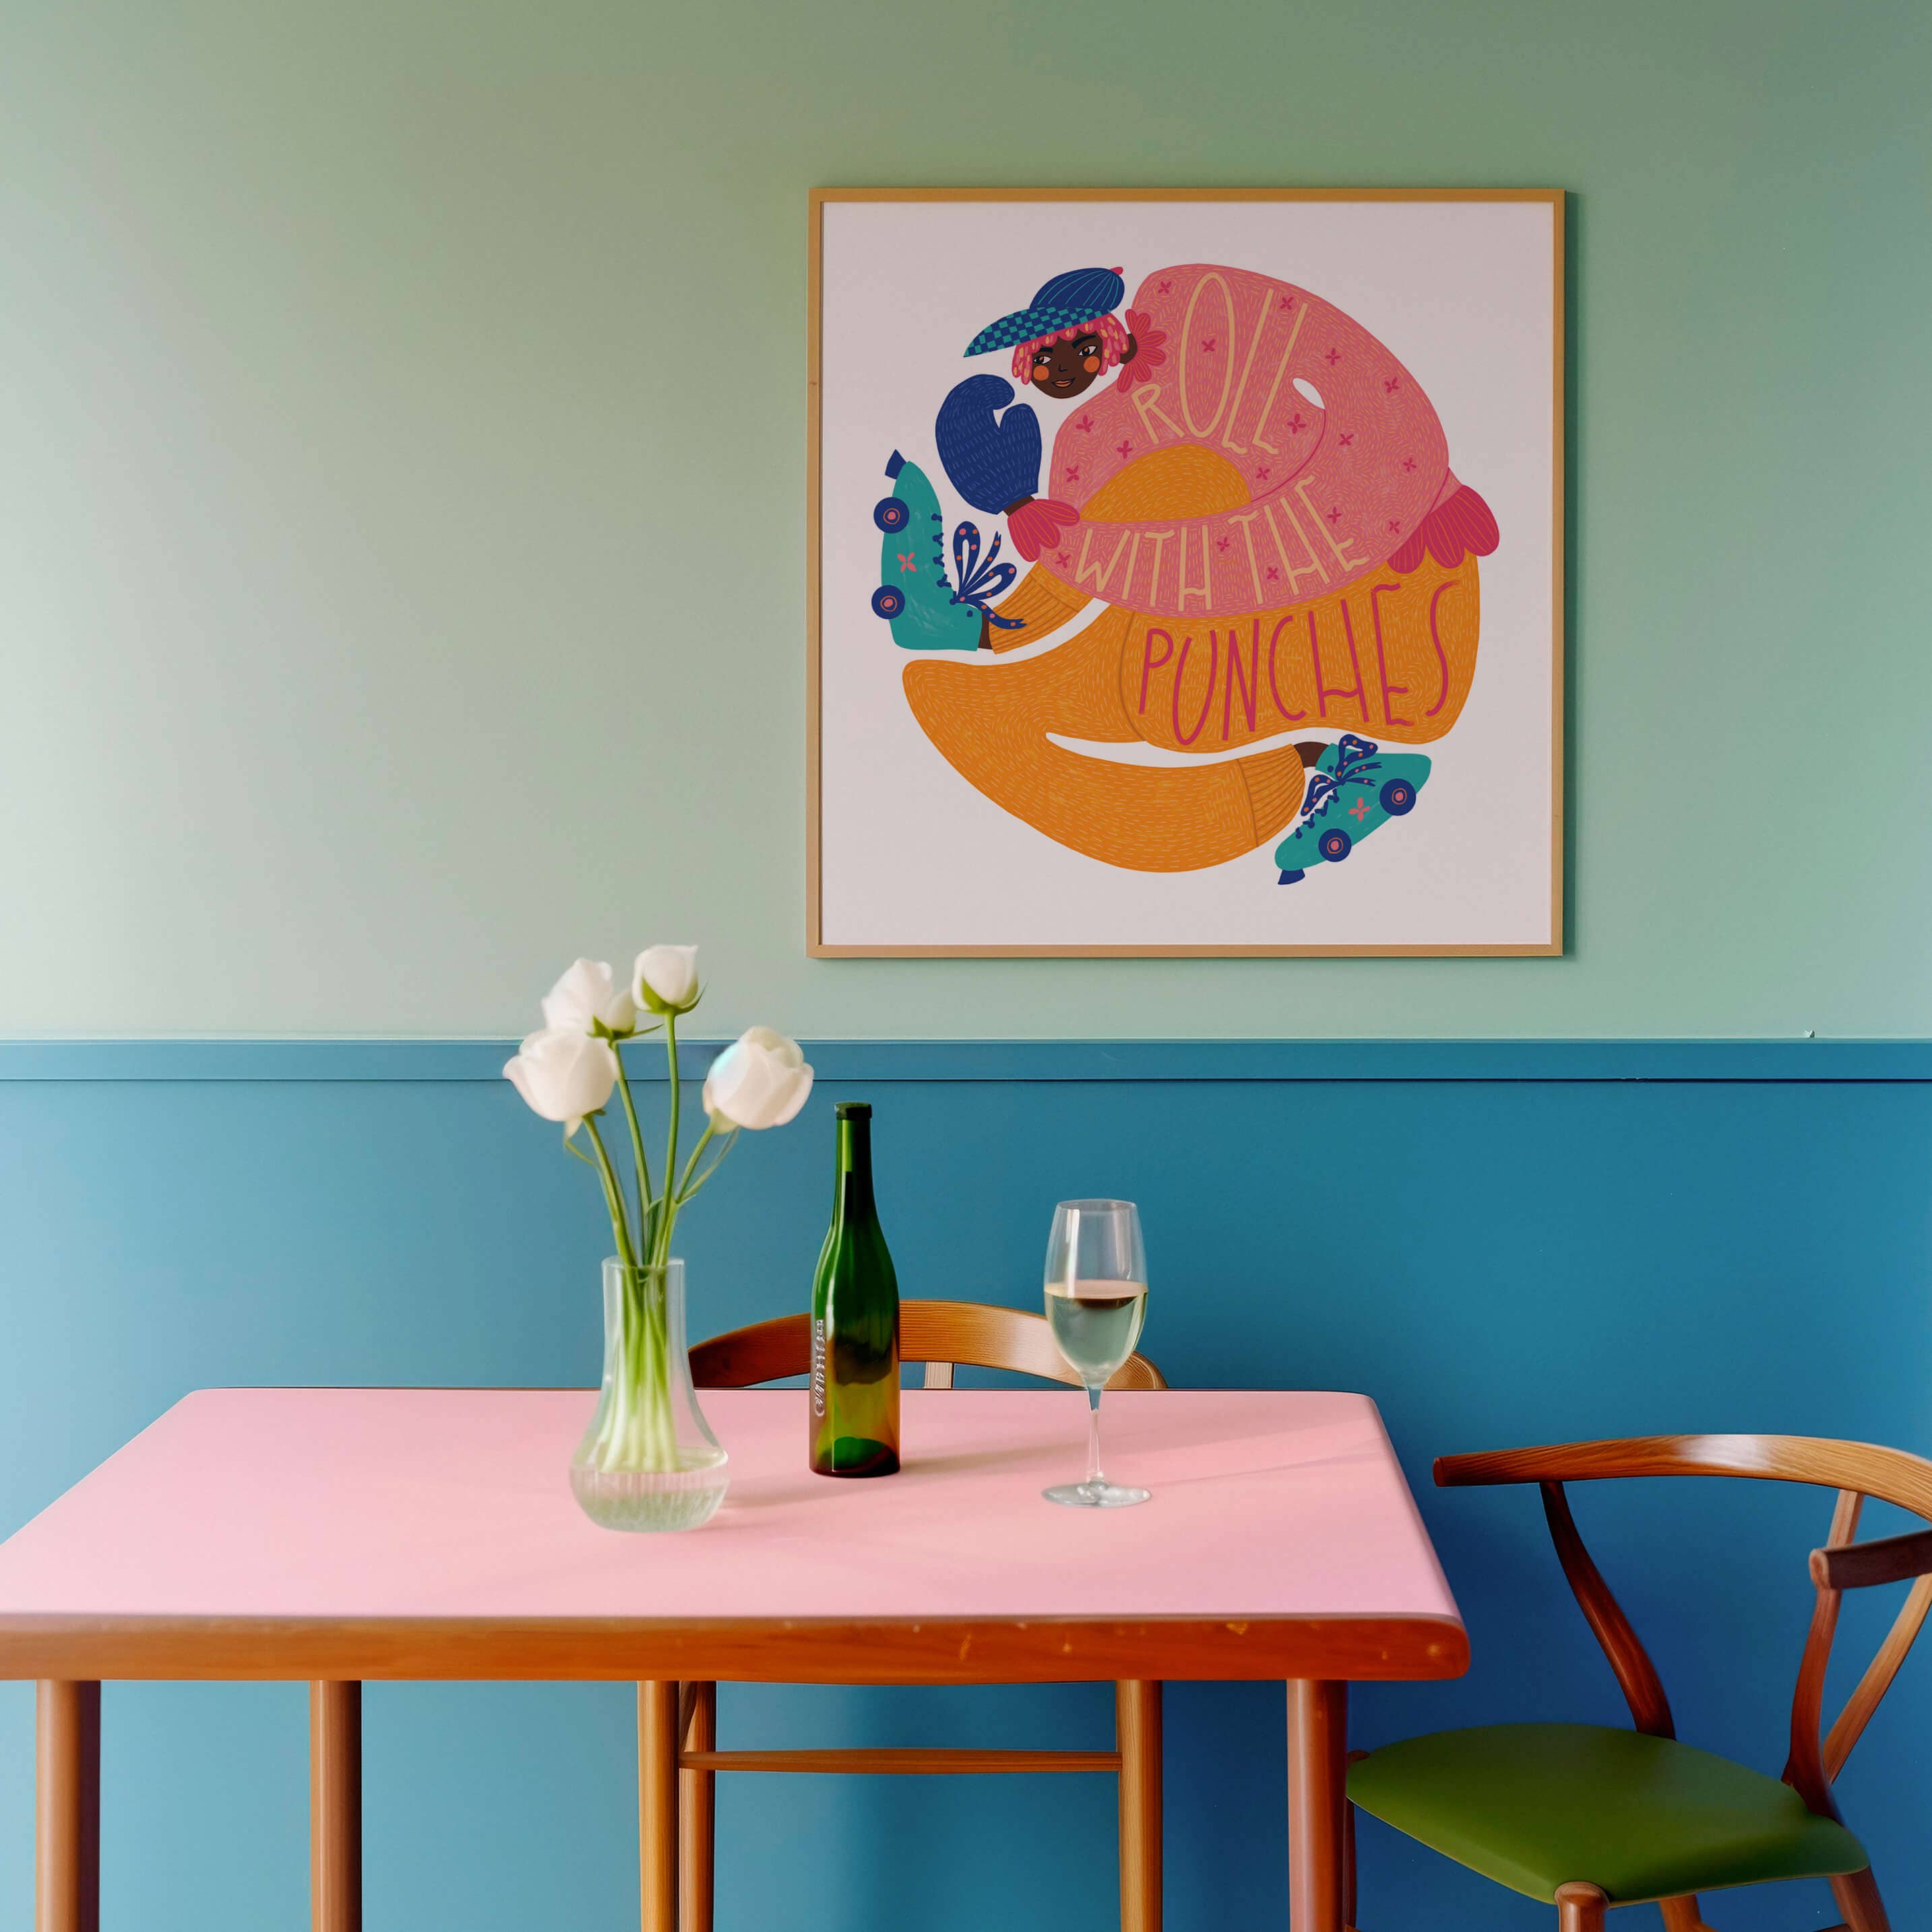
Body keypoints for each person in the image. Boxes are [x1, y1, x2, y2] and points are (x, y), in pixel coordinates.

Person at [935, 267, 1139, 564]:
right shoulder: (1025, 414)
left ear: (1109, 345)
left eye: (1085, 352)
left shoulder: (1107, 402)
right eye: (1044, 358)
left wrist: (1132, 351)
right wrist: (1019, 504)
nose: (1064, 369)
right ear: (1025, 358)